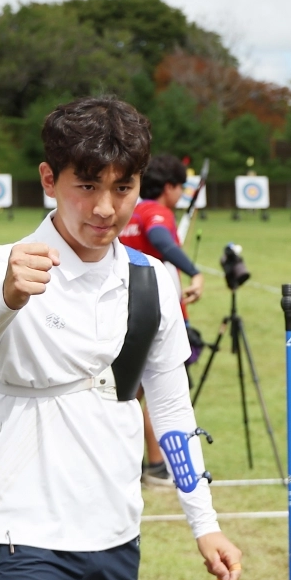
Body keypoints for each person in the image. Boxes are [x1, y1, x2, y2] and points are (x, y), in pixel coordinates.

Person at [0, 97, 242, 580]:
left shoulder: (153, 280)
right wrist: (5, 297)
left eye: (123, 188)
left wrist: (205, 524)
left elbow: (172, 410)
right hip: (18, 534)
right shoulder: (2, 265)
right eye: (86, 186)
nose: (105, 208)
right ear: (49, 179)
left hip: (115, 534)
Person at [119, 153, 205, 487]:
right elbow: (160, 240)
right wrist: (194, 272)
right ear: (169, 187)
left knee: (128, 394)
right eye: (180, 187)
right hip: (156, 318)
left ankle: (124, 462)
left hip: (126, 314)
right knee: (160, 392)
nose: (180, 195)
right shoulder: (155, 213)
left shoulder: (130, 212)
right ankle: (157, 467)